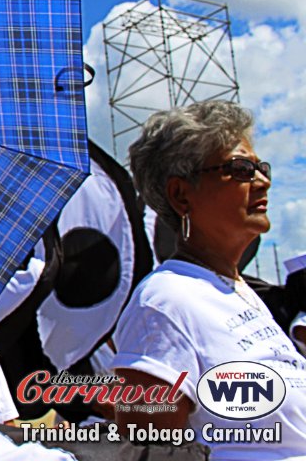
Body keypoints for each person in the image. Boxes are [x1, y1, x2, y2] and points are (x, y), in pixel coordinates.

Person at [113, 100, 306, 459]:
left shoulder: (237, 292)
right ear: (181, 194)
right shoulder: (165, 303)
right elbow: (147, 452)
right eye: (242, 168)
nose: (262, 180)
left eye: (261, 167)